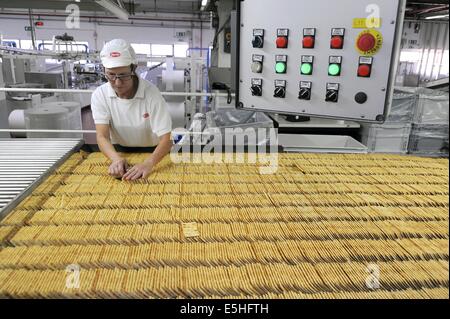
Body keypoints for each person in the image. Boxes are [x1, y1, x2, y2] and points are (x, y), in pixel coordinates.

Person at [91, 39, 173, 181]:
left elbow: (167, 139)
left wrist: (148, 163)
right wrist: (116, 160)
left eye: (123, 75)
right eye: (111, 75)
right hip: (118, 152)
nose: (117, 82)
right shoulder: (100, 95)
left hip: (152, 152)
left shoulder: (151, 94)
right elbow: (102, 136)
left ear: (133, 68)